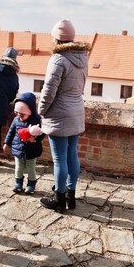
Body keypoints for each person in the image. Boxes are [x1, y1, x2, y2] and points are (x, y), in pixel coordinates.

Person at [38, 20, 90, 213]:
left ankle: (59, 198)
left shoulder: (58, 59)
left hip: (59, 113)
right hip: (76, 110)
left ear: (56, 38)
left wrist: (41, 111)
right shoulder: (83, 57)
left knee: (59, 159)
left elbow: (49, 91)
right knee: (72, 155)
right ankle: (71, 195)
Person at [2, 92, 45, 194]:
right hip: (18, 148)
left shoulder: (37, 120)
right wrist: (6, 143)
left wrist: (34, 139)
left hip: (32, 150)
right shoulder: (16, 120)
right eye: (17, 113)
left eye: (22, 114)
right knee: (18, 168)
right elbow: (11, 131)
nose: (19, 116)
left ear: (30, 111)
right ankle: (18, 183)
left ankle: (31, 184)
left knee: (31, 168)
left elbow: (43, 133)